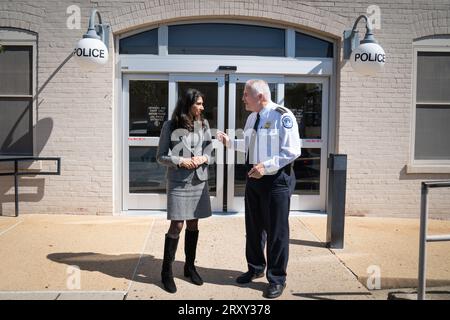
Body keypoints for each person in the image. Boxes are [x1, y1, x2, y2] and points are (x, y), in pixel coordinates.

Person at [217, 79, 301, 299]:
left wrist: (266, 166)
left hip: (276, 181)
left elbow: (292, 151)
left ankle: (276, 279)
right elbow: (248, 145)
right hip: (254, 179)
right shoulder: (252, 117)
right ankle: (255, 268)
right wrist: (230, 143)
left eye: (246, 94)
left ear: (260, 96)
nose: (243, 98)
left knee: (276, 232)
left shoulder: (282, 116)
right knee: (254, 228)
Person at [157, 88, 213, 294]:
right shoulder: (170, 125)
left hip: (199, 181)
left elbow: (210, 152)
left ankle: (190, 267)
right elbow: (160, 156)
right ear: (188, 104)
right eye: (198, 104)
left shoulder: (204, 125)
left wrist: (204, 158)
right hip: (179, 182)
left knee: (193, 223)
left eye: (202, 104)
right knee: (177, 225)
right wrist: (181, 161)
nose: (201, 107)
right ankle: (166, 272)